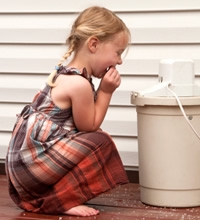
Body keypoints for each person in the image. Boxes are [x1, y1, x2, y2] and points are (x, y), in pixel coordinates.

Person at [5, 6, 130, 217]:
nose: (119, 61)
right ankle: (60, 201)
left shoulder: (68, 74)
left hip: (23, 169)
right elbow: (89, 126)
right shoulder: (78, 84)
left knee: (92, 140)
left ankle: (56, 196)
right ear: (94, 44)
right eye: (117, 52)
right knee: (101, 142)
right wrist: (106, 91)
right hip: (30, 166)